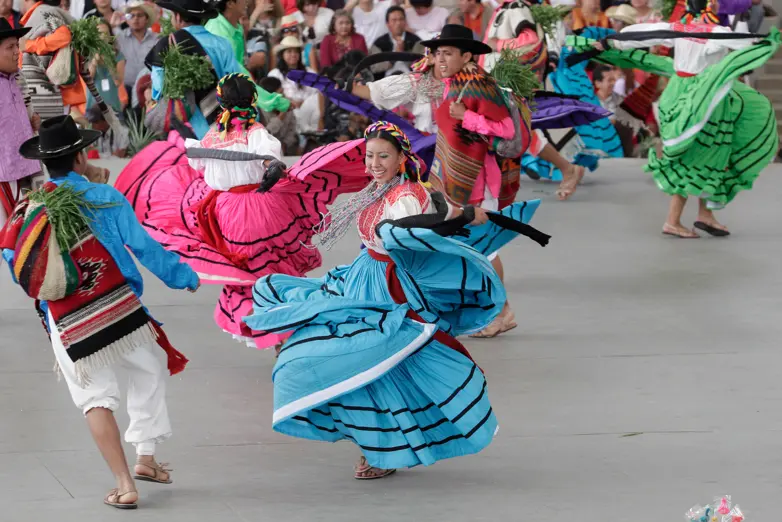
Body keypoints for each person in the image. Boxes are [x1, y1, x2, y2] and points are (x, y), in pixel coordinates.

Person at [243, 121, 549, 479]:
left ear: (402, 158)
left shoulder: (404, 196)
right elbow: (441, 210)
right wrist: (461, 212)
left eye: (383, 156)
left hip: (390, 288)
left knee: (379, 365)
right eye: (370, 155)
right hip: (364, 275)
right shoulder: (381, 188)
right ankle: (374, 443)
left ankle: (381, 449)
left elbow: (417, 225)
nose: (373, 162)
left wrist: (465, 215)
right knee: (359, 360)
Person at [0, 115, 200, 510]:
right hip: (120, 307)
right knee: (151, 366)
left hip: (67, 318)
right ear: (80, 158)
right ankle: (145, 453)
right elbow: (143, 247)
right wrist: (184, 277)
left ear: (44, 163)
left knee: (96, 398)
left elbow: (13, 258)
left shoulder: (32, 206)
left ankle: (126, 482)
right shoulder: (106, 196)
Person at [114, 73, 372, 351]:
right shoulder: (256, 131)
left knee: (248, 276)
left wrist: (179, 136)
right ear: (253, 100)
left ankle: (274, 329)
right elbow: (273, 160)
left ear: (221, 102)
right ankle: (288, 328)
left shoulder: (215, 135)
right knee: (278, 268)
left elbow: (199, 165)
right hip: (265, 207)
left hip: (229, 214)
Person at [569, 23, 780, 237]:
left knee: (713, 153)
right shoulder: (715, 32)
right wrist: (765, 40)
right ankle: (673, 220)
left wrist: (611, 42)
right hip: (702, 97)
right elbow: (743, 42)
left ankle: (704, 215)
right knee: (701, 154)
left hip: (683, 93)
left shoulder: (680, 27)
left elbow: (646, 33)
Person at [146, 0, 289, 139]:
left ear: (177, 17)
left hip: (186, 130)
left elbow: (159, 90)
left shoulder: (167, 44)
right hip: (221, 125)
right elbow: (238, 81)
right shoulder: (222, 44)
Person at [0, 17, 40, 230]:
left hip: (27, 163)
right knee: (10, 231)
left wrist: (33, 122)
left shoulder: (18, 78)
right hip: (4, 171)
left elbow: (28, 114)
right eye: (10, 47)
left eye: (17, 45)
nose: (18, 51)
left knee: (29, 227)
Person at [19, 0, 86, 120]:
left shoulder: (43, 11)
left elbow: (63, 36)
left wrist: (30, 45)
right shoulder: (45, 11)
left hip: (49, 96)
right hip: (51, 94)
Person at [268, 35, 324, 133]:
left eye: (296, 51)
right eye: (289, 51)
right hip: (288, 111)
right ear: (282, 54)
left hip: (309, 111)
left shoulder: (309, 72)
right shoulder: (274, 74)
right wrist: (290, 102)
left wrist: (305, 103)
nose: (293, 54)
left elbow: (317, 93)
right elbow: (272, 96)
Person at [114, 0, 158, 98]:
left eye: (139, 15)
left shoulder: (156, 39)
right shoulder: (119, 37)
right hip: (124, 88)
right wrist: (113, 25)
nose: (135, 19)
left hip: (148, 88)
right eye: (131, 15)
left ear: (147, 19)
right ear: (126, 19)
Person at [368, 5, 424, 77]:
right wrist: (394, 56)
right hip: (385, 82)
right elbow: (374, 67)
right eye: (394, 20)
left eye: (401, 19)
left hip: (411, 80)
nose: (398, 23)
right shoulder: (379, 43)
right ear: (387, 24)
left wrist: (404, 54)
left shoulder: (416, 41)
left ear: (405, 22)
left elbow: (421, 65)